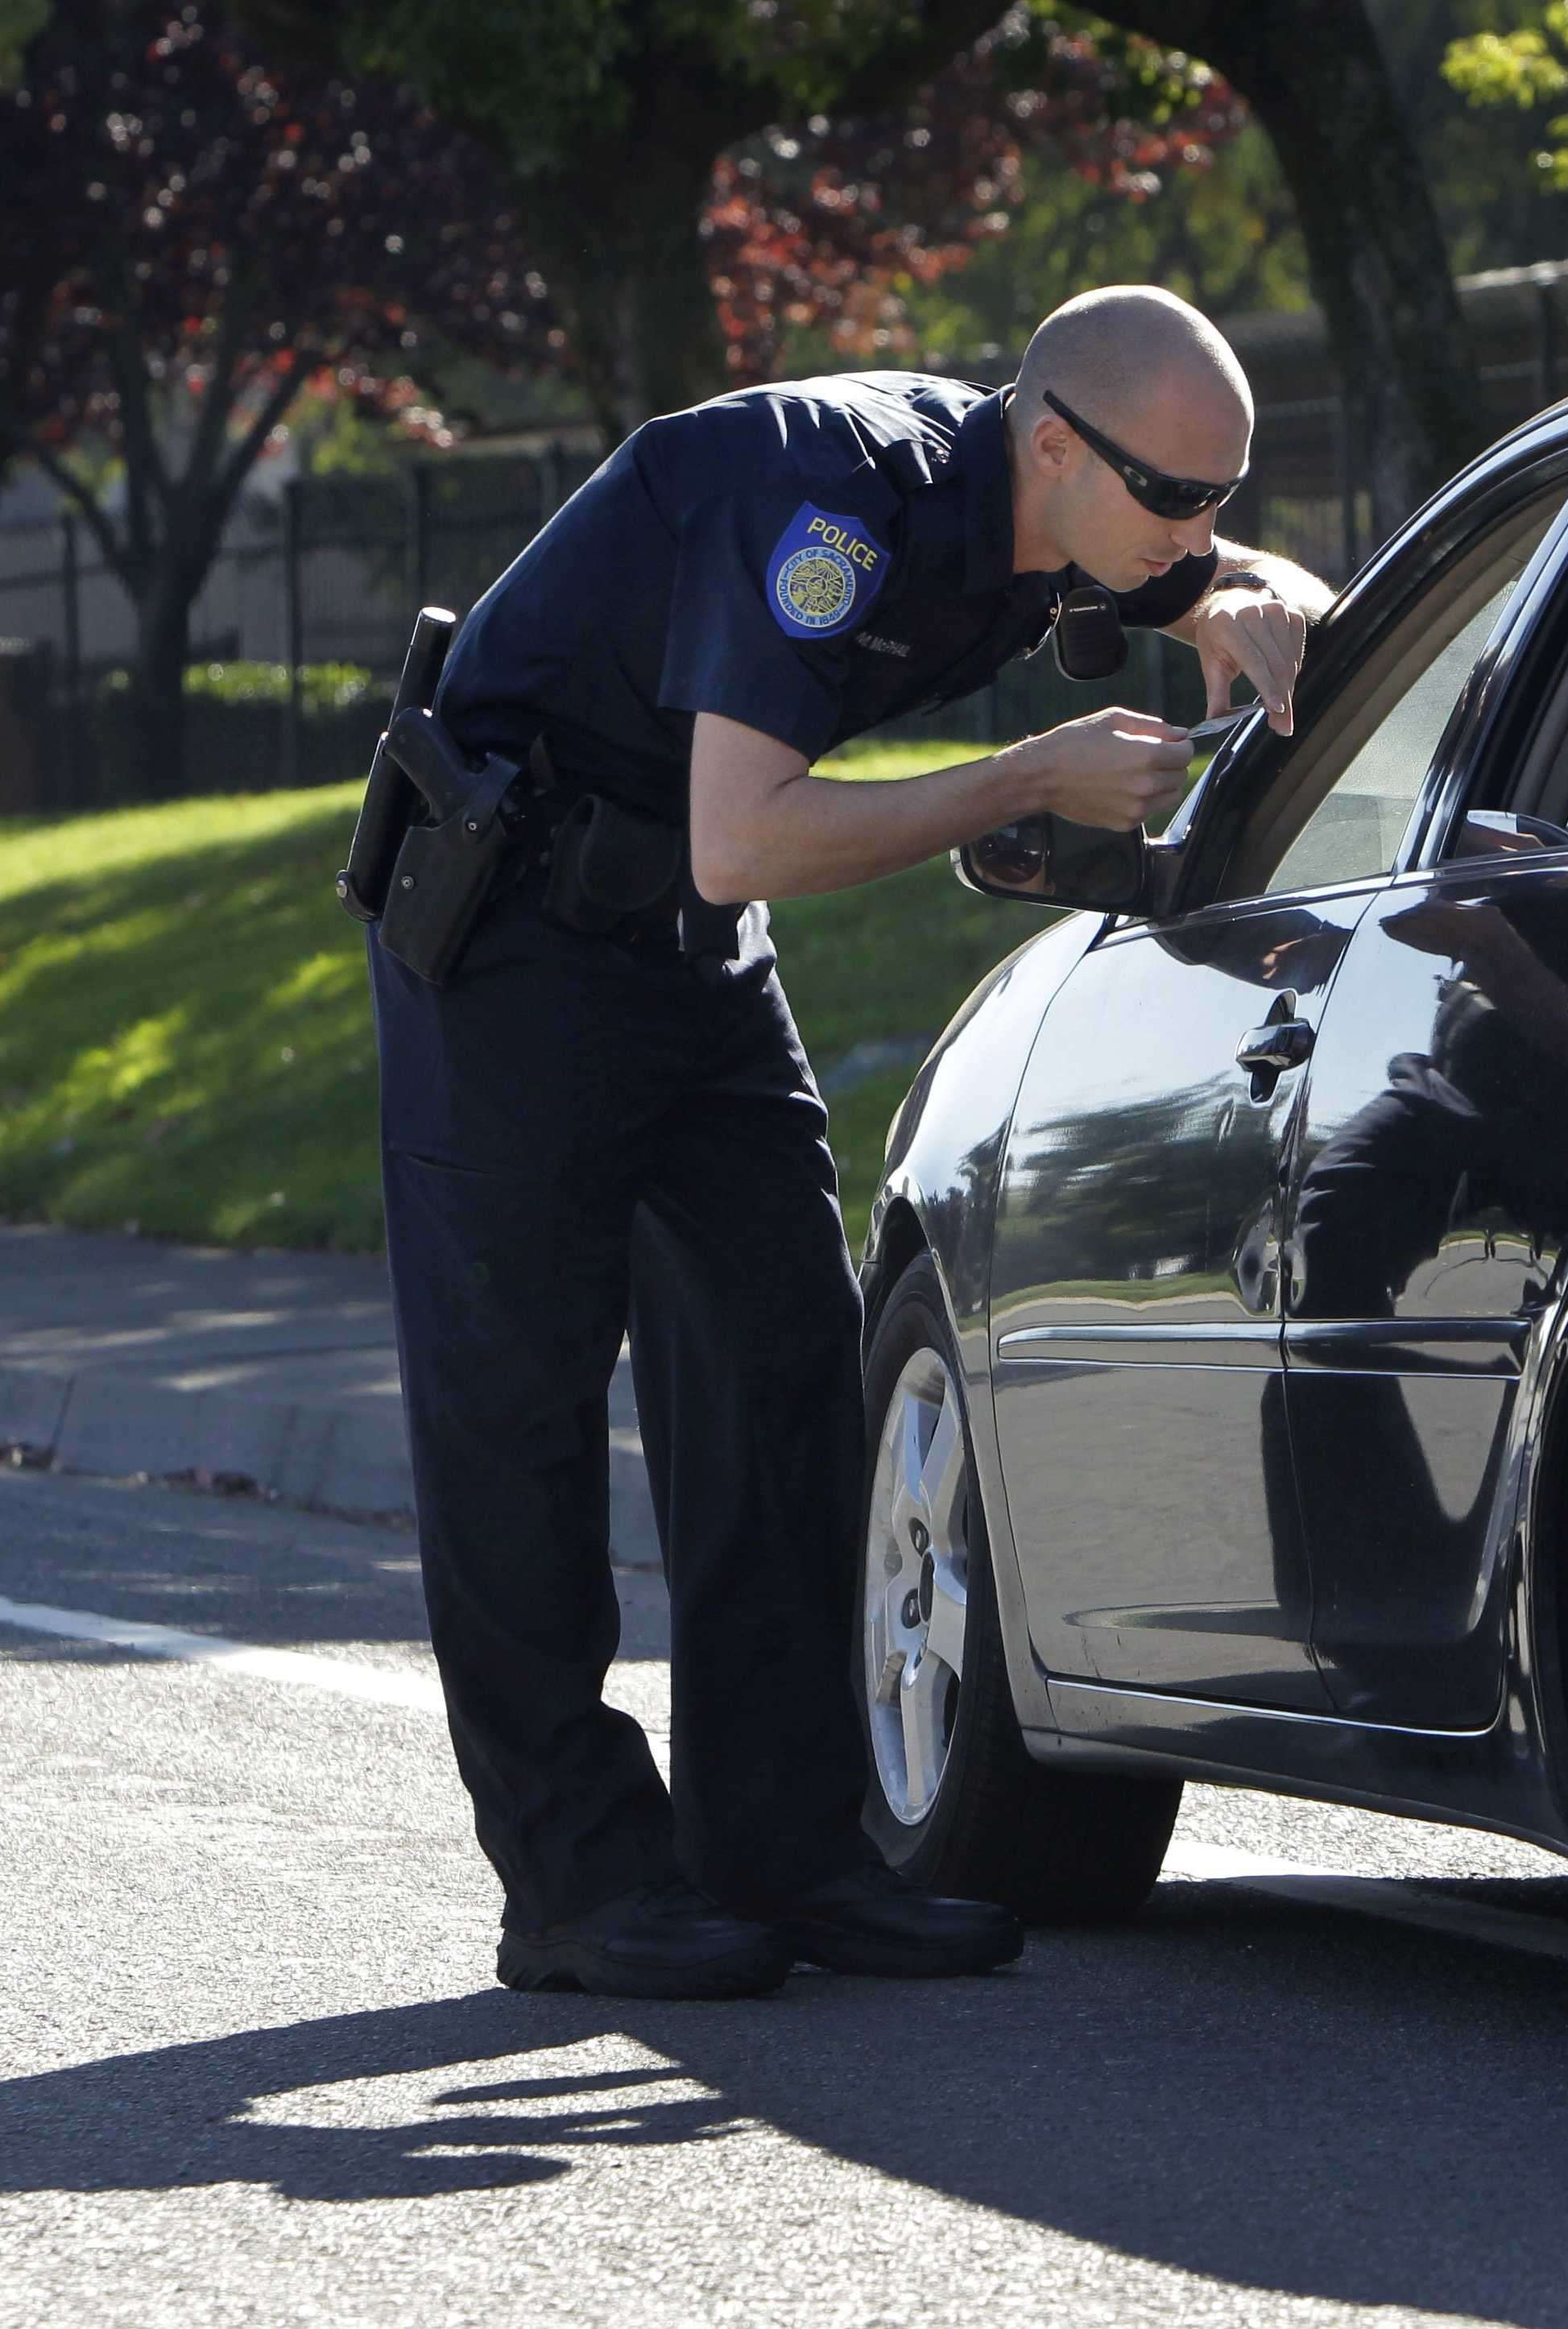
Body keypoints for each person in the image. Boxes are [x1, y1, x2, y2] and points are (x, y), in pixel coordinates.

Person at [370, 285, 1331, 1999]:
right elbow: (742, 836)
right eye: (1177, 500)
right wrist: (1022, 773)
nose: (1197, 531)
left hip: (683, 958)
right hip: (516, 942)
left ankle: (789, 1856)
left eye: (1218, 495)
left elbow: (1259, 581)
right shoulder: (828, 498)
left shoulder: (1064, 503)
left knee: (783, 1377)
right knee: (515, 1417)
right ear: (1054, 445)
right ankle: (579, 1886)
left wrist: (1246, 599)